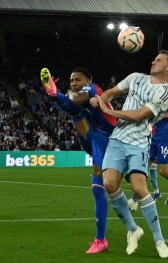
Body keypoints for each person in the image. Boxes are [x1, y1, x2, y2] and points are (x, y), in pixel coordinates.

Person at [92, 51, 168, 259]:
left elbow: (140, 115)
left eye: (158, 60)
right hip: (117, 139)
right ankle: (133, 229)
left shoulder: (165, 93)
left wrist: (110, 112)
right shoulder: (135, 78)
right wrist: (101, 100)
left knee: (139, 188)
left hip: (139, 143)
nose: (153, 61)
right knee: (109, 183)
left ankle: (159, 240)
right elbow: (112, 92)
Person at [41, 66, 117, 254]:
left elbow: (75, 100)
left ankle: (101, 240)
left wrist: (56, 94)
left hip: (108, 138)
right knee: (75, 112)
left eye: (78, 80)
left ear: (88, 81)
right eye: (72, 80)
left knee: (100, 185)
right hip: (93, 139)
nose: (74, 83)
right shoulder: (81, 95)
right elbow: (70, 105)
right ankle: (105, 237)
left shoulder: (93, 89)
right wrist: (55, 94)